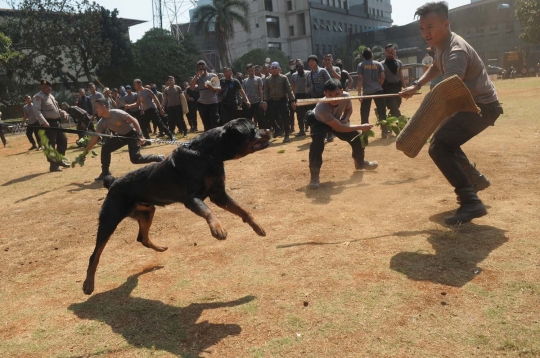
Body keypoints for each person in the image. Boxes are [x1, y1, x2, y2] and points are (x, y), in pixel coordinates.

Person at [400, 1, 503, 225]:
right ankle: (474, 179)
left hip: (480, 107)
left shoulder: (456, 51)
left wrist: (423, 120)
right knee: (445, 140)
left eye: (430, 26)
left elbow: (450, 90)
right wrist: (416, 85)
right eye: (422, 28)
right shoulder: (441, 45)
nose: (425, 33)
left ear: (446, 24)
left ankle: (470, 202)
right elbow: (437, 66)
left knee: (439, 146)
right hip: (472, 104)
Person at [306, 78, 378, 189]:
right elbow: (339, 128)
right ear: (325, 94)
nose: (334, 97)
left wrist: (345, 118)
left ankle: (360, 162)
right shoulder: (321, 107)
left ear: (342, 91)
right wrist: (361, 126)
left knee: (357, 137)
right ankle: (314, 176)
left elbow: (349, 109)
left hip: (335, 119)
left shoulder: (346, 96)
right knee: (318, 143)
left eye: (337, 93)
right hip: (318, 122)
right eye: (330, 95)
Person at [84, 98, 165, 181]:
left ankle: (158, 157)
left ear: (104, 107)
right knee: (105, 148)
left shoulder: (117, 113)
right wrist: (85, 151)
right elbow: (95, 138)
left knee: (135, 159)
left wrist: (139, 135)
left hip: (132, 134)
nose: (95, 110)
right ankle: (105, 173)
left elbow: (134, 120)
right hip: (121, 136)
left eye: (97, 107)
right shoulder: (101, 122)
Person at [32, 80, 70, 172]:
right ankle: (53, 166)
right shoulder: (38, 97)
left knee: (63, 140)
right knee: (51, 144)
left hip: (56, 123)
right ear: (41, 88)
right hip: (47, 123)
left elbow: (57, 109)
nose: (49, 88)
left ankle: (59, 160)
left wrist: (63, 112)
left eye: (50, 87)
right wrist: (43, 122)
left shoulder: (51, 96)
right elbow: (37, 110)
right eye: (46, 87)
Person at [261, 61, 296, 142]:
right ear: (270, 70)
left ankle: (286, 135)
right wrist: (265, 101)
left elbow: (289, 89)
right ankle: (277, 128)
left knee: (285, 118)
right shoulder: (267, 79)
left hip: (282, 100)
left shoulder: (283, 78)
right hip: (272, 101)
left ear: (279, 69)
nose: (274, 70)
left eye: (275, 68)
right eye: (272, 68)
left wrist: (292, 100)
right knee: (271, 117)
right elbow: (266, 91)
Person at [357, 47, 387, 137]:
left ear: (363, 57)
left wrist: (359, 93)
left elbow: (359, 79)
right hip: (378, 90)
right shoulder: (378, 64)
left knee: (365, 112)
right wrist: (379, 85)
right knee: (382, 111)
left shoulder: (361, 65)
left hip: (367, 91)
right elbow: (383, 76)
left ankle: (365, 133)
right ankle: (384, 131)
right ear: (372, 55)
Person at [190, 60, 221, 131]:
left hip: (213, 102)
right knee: (206, 124)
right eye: (199, 67)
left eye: (202, 66)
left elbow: (219, 89)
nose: (201, 68)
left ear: (205, 66)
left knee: (214, 123)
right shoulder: (197, 78)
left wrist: (212, 88)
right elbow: (191, 87)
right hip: (202, 104)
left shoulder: (212, 75)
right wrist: (196, 76)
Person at [306, 55, 331, 133]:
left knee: (325, 115)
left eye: (313, 61)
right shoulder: (308, 74)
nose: (311, 63)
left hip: (323, 97)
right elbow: (307, 85)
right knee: (314, 115)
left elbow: (329, 82)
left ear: (316, 62)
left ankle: (329, 133)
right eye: (309, 62)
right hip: (313, 98)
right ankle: (316, 132)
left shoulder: (323, 71)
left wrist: (328, 94)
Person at [382, 44, 407, 119]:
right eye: (388, 51)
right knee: (393, 106)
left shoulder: (399, 63)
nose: (390, 53)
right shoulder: (381, 64)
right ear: (385, 52)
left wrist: (405, 87)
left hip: (397, 88)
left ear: (395, 52)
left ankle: (386, 118)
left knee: (397, 104)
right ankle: (402, 122)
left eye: (392, 51)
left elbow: (401, 76)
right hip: (387, 89)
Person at [291, 59, 309, 136]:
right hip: (298, 95)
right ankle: (301, 130)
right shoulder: (294, 75)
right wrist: (293, 98)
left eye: (300, 66)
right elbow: (293, 87)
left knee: (308, 112)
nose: (299, 67)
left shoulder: (308, 73)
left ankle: (309, 127)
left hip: (307, 95)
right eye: (297, 66)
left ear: (303, 66)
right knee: (299, 114)